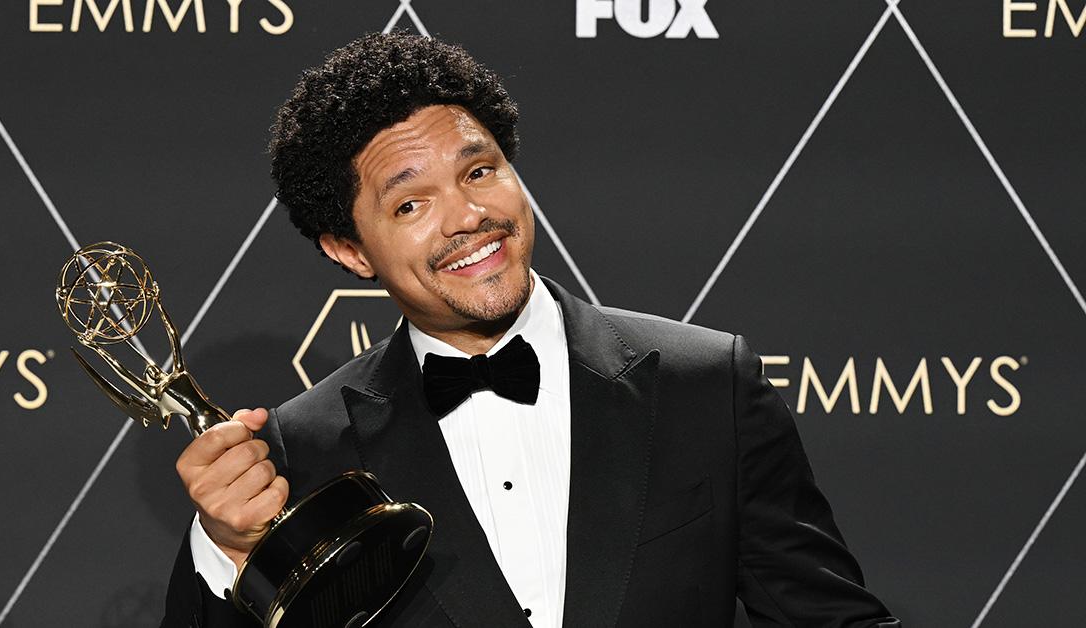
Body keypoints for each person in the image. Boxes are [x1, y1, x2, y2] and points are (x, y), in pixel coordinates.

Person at [161, 32, 900, 627]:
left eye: (479, 172)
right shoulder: (301, 453)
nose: (467, 217)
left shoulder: (706, 384)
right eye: (410, 205)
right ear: (349, 249)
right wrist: (226, 550)